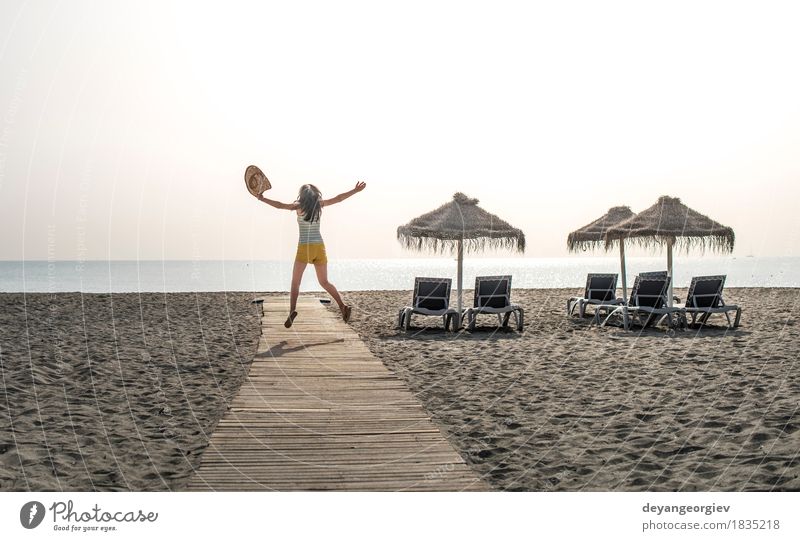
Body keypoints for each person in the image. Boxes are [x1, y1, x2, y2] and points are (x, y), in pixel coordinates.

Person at [257, 181, 366, 327]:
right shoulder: (319, 205)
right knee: (324, 282)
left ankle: (292, 311)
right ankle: (342, 306)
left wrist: (262, 199)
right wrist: (355, 190)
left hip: (304, 248)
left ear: (302, 196)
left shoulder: (298, 206)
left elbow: (279, 205)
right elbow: (339, 198)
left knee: (295, 282)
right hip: (319, 247)